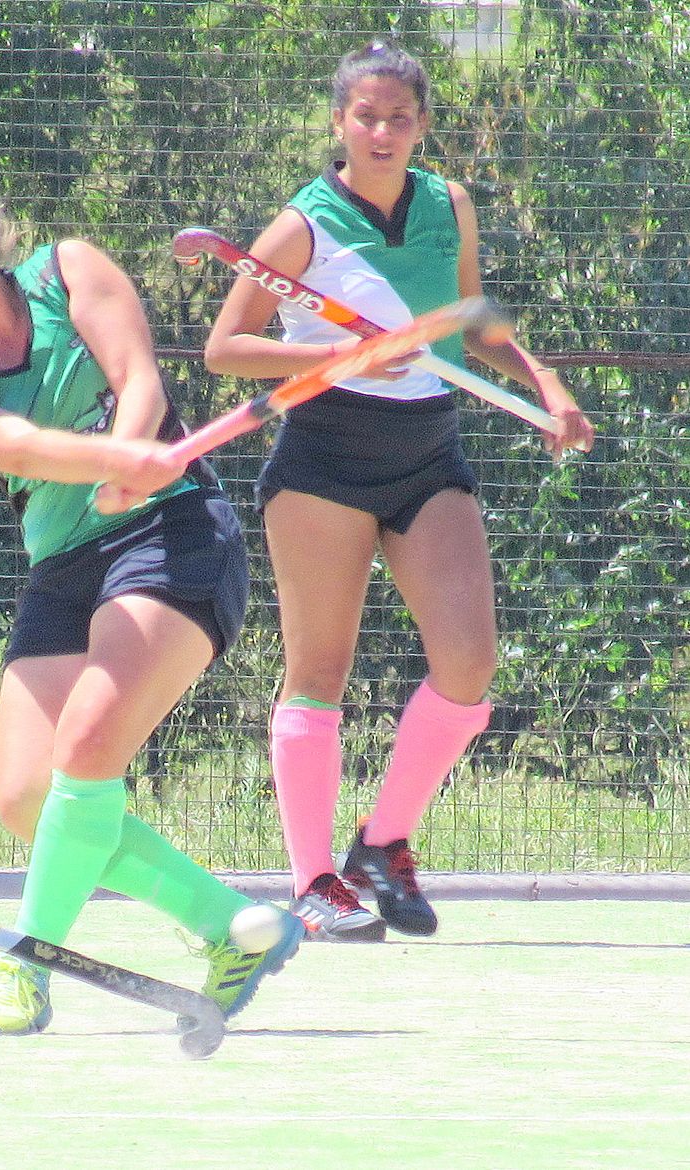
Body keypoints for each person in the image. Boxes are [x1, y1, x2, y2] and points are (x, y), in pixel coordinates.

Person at [0, 171, 304, 1037]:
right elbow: (20, 445)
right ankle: (229, 926)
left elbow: (136, 374)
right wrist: (104, 462)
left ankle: (24, 965)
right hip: (64, 565)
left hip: (173, 535)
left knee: (86, 747)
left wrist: (135, 449)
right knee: (29, 798)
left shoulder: (69, 269)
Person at [204, 40, 595, 942]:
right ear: (339, 123)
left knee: (470, 668)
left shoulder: (447, 204)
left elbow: (474, 319)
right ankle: (313, 883)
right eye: (366, 116)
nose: (382, 132)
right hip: (323, 464)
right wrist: (337, 354)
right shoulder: (298, 227)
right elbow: (227, 347)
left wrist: (549, 389)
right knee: (319, 675)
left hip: (429, 455)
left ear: (421, 124)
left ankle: (382, 845)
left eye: (400, 117)